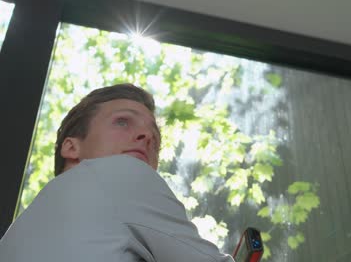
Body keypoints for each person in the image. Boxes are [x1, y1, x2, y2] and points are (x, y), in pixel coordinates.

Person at [0, 83, 234, 262]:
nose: (148, 137)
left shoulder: (26, 227)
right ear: (71, 147)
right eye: (123, 122)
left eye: (155, 136)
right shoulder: (120, 171)